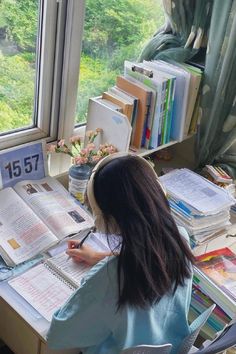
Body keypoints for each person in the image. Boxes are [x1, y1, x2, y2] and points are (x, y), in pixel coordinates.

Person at [47, 152, 195, 354]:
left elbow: (58, 336)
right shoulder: (180, 239)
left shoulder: (110, 277)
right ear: (158, 191)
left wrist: (93, 279)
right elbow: (147, 262)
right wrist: (101, 257)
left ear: (103, 218)